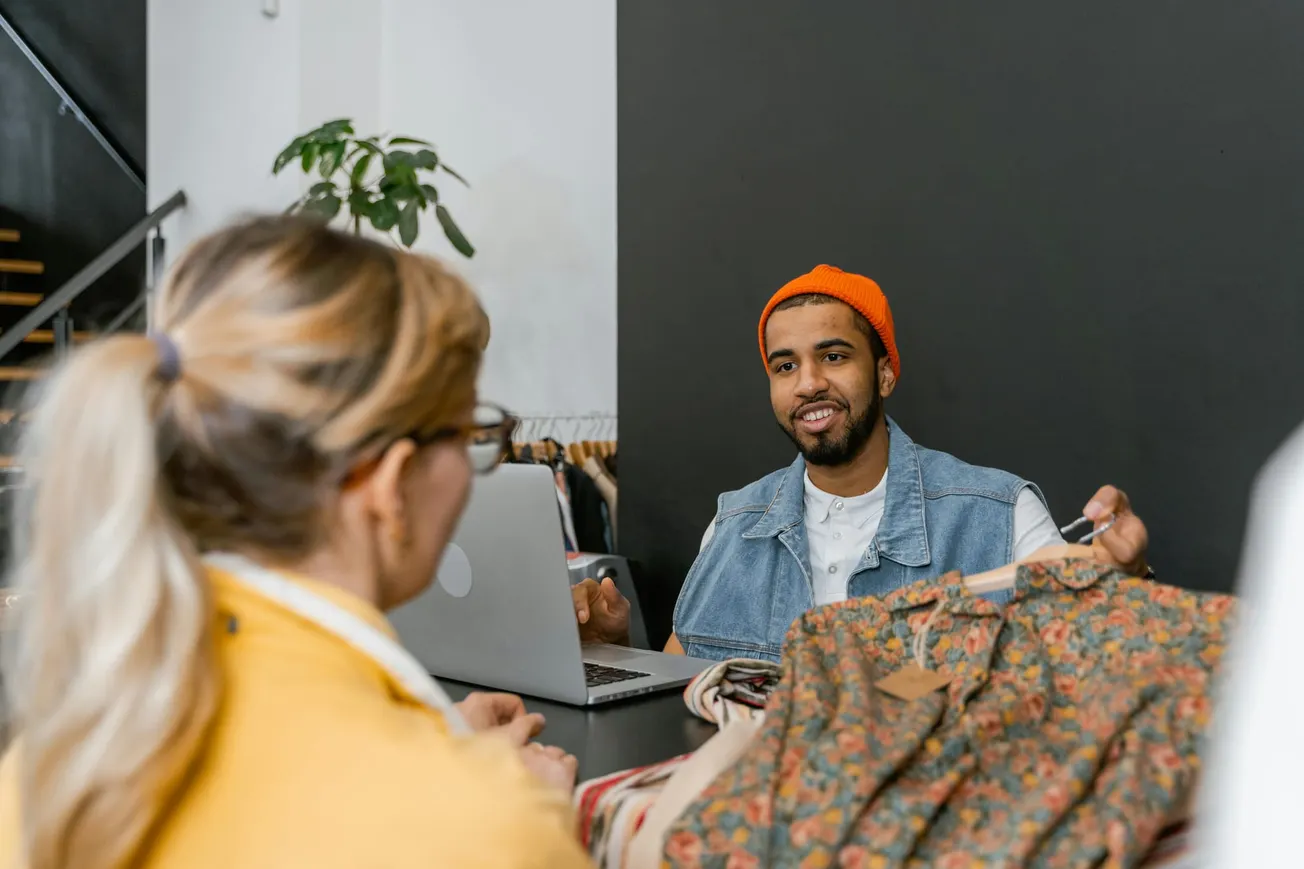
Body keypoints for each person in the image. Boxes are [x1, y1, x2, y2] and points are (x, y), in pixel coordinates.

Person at [0, 217, 591, 868]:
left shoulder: (60, 754)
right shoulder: (488, 828)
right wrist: (527, 814)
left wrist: (436, 738)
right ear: (391, 482)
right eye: (469, 435)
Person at [574, 265, 1150, 661]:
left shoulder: (998, 514)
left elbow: (1090, 662)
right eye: (785, 366)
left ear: (884, 373)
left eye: (833, 356)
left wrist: (1124, 581)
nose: (810, 384)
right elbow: (686, 684)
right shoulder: (732, 524)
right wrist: (613, 648)